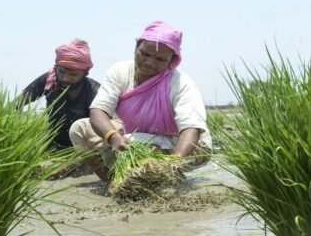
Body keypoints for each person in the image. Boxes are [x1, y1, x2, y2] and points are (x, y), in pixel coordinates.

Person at [69, 20, 212, 181]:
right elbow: (98, 111)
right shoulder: (120, 72)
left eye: (160, 59)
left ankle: (164, 177)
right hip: (137, 134)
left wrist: (173, 162)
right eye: (145, 54)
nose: (150, 63)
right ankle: (114, 182)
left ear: (172, 61)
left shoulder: (180, 83)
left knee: (137, 143)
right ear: (136, 47)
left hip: (184, 144)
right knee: (79, 129)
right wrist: (114, 137)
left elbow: (191, 128)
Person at [19, 39, 100, 150]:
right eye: (61, 72)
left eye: (73, 75)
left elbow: (104, 128)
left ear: (85, 73)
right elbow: (18, 102)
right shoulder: (49, 81)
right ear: (56, 67)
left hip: (85, 149)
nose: (65, 78)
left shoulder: (94, 91)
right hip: (54, 146)